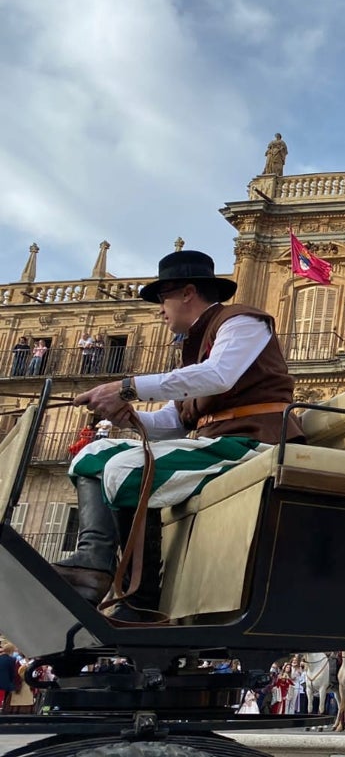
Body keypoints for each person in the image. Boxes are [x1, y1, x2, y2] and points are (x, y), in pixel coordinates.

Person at [53, 250, 304, 620]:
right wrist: (129, 417)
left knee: (124, 470)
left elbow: (219, 375)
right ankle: (93, 562)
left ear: (188, 293)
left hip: (252, 442)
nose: (160, 309)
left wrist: (126, 387)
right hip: (210, 442)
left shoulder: (242, 322)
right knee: (91, 456)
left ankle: (142, 600)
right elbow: (175, 419)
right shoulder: (195, 348)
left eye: (162, 298)